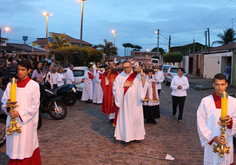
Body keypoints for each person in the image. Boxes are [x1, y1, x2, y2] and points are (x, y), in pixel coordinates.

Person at [1, 60, 42, 165]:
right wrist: (8, 105)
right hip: (12, 120)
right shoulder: (11, 85)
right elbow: (4, 100)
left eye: (23, 70)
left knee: (25, 145)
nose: (20, 72)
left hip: (25, 122)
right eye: (18, 69)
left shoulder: (34, 86)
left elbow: (35, 105)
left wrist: (20, 113)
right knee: (14, 144)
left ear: (29, 70)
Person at [197, 73, 236, 165]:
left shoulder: (233, 102)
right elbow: (200, 123)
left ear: (226, 84)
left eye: (222, 84)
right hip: (213, 143)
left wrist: (231, 122)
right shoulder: (206, 101)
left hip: (227, 140)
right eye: (217, 84)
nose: (220, 87)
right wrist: (212, 138)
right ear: (213, 84)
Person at [113, 60, 148, 142]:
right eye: (124, 67)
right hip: (125, 103)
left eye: (128, 67)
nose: (126, 69)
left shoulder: (136, 75)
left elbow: (144, 84)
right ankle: (126, 137)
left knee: (136, 118)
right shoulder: (120, 77)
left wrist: (142, 74)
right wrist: (123, 85)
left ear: (131, 67)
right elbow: (114, 88)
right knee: (126, 119)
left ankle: (136, 136)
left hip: (136, 102)